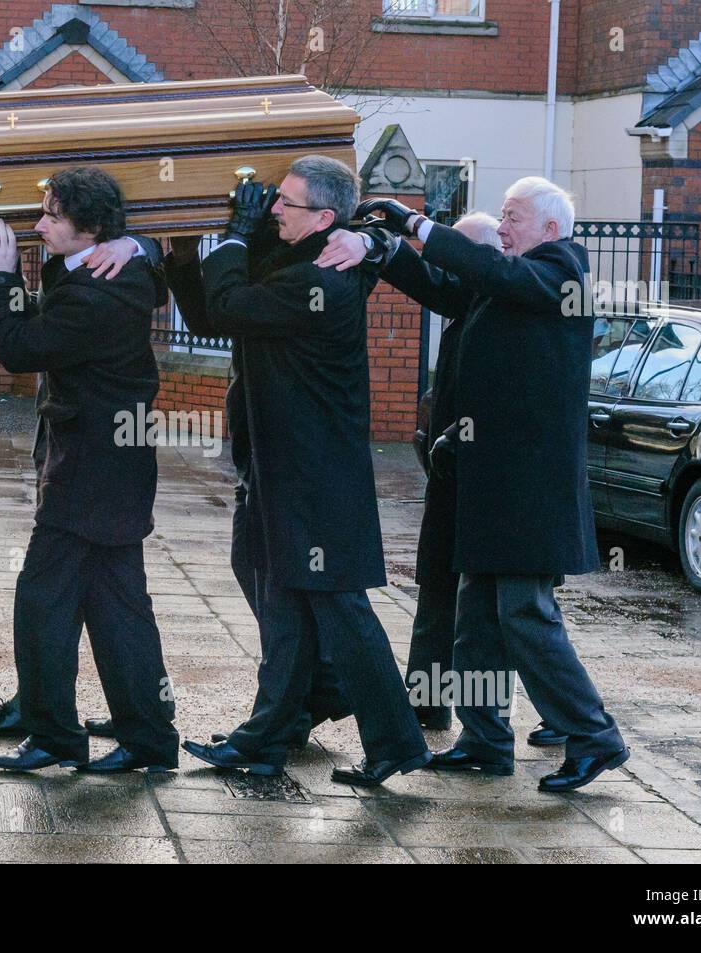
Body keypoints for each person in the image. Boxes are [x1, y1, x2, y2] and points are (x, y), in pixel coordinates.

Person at [328, 177, 628, 792]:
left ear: (550, 227)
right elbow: (443, 290)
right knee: (476, 621)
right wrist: (385, 247)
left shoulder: (560, 272)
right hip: (495, 490)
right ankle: (485, 740)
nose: (501, 228)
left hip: (530, 494)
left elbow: (494, 275)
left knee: (525, 615)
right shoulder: (513, 284)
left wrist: (419, 225)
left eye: (512, 217)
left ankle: (594, 736)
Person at [168, 155, 431, 787]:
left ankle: (395, 740)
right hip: (283, 466)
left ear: (325, 217)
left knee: (341, 606)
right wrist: (182, 246)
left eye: (286, 202)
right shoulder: (297, 264)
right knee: (282, 601)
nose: (273, 208)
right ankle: (268, 736)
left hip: (315, 476)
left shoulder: (323, 279)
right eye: (274, 199)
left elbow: (232, 305)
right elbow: (212, 315)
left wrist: (233, 234)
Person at [0, 166, 179, 774]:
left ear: (89, 228)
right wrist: (135, 242)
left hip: (89, 471)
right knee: (120, 607)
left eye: (52, 217)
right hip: (113, 467)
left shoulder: (95, 290)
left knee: (42, 600)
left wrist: (2, 277)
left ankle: (55, 736)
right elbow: (158, 275)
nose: (38, 225)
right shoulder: (115, 266)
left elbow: (18, 347)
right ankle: (148, 738)